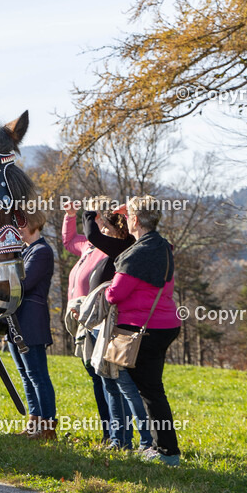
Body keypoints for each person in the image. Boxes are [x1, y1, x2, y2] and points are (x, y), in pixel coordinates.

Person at [105, 195, 182, 466]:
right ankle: (161, 447)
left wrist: (105, 291)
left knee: (150, 391)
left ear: (136, 220)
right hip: (165, 324)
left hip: (144, 329)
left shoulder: (138, 254)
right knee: (152, 389)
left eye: (128, 217)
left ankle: (167, 452)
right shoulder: (163, 247)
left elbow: (115, 294)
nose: (125, 221)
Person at [83, 204, 153, 451]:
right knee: (109, 382)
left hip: (115, 325)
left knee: (123, 385)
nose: (103, 229)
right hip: (103, 325)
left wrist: (89, 213)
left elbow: (91, 234)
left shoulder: (123, 248)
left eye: (107, 226)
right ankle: (119, 440)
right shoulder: (119, 248)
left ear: (118, 228)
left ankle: (144, 441)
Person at [63, 198, 114, 442]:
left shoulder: (107, 244)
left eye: (96, 217)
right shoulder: (88, 246)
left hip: (96, 319)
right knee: (95, 376)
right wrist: (70, 216)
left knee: (103, 377)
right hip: (83, 320)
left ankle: (115, 434)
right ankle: (109, 433)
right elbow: (68, 241)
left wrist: (89, 213)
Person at [9, 210, 57, 440]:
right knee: (26, 375)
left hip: (31, 320)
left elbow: (23, 283)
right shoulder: (24, 251)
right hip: (16, 320)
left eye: (21, 224)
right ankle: (34, 422)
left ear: (34, 225)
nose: (17, 229)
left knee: (37, 375)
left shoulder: (42, 251)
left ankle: (47, 427)